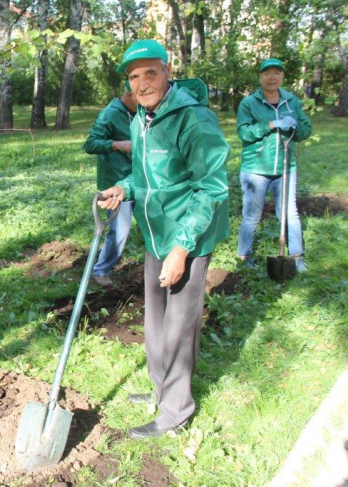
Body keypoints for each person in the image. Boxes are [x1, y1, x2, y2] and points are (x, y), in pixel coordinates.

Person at [99, 40, 230, 438]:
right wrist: (123, 189)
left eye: (149, 73)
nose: (141, 83)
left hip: (188, 233)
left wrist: (181, 248)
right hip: (156, 231)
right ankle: (160, 389)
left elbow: (211, 188)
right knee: (154, 316)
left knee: (178, 323)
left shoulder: (195, 120)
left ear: (167, 70)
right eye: (133, 77)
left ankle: (176, 410)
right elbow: (144, 177)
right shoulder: (141, 118)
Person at [236, 58, 312, 271]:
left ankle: (296, 257)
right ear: (261, 77)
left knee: (290, 214)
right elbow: (243, 132)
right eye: (267, 73)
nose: (272, 77)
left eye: (276, 73)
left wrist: (296, 126)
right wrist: (270, 124)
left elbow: (305, 131)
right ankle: (244, 257)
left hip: (285, 168)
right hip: (255, 169)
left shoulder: (292, 102)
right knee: (251, 216)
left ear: (282, 77)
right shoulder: (249, 103)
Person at [83, 82, 138, 287]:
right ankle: (100, 270)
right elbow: (90, 144)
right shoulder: (110, 114)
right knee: (120, 229)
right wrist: (116, 145)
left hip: (139, 179)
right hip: (115, 184)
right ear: (129, 93)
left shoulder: (141, 113)